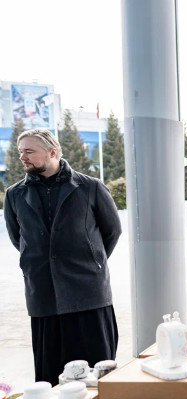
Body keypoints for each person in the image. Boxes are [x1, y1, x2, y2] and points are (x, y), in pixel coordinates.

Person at [4, 129, 122, 385]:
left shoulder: (90, 187)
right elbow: (18, 238)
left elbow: (112, 230)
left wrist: (92, 262)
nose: (22, 157)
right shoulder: (14, 194)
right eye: (20, 151)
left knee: (98, 373)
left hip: (88, 295)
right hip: (43, 296)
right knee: (51, 376)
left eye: (29, 151)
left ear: (52, 152)